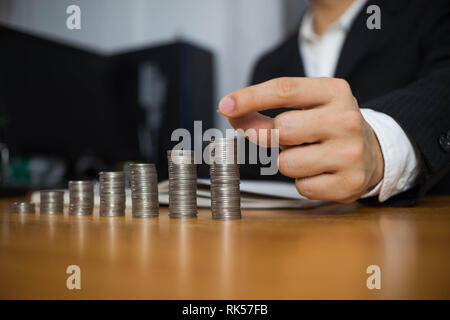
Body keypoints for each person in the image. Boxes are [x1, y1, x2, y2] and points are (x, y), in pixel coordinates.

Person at [218, 0, 450, 206]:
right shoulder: (268, 65)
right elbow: (261, 166)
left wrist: (380, 145)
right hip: (291, 240)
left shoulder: (431, 12)